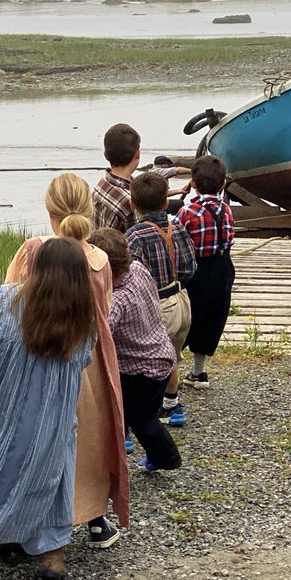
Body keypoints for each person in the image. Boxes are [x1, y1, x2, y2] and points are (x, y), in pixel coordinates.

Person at [0, 238, 97, 580]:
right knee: (51, 475)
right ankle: (50, 552)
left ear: (37, 270)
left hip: (5, 409)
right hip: (54, 417)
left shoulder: (8, 302)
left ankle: (3, 531)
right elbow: (83, 360)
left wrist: (11, 280)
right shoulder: (83, 319)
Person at [5, 172, 129, 549]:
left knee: (32, 436)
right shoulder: (100, 259)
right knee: (90, 436)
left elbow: (7, 302)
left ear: (50, 212)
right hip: (88, 360)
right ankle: (93, 517)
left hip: (40, 355)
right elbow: (104, 311)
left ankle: (22, 520)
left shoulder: (33, 251)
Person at [90, 228, 181, 474]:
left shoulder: (116, 301)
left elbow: (97, 336)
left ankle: (166, 457)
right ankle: (131, 449)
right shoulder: (139, 270)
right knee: (140, 414)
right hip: (161, 353)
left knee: (140, 419)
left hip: (140, 370)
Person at [127, 172, 197, 427]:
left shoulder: (134, 237)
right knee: (173, 356)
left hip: (156, 306)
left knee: (150, 359)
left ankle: (147, 411)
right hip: (181, 299)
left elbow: (131, 278)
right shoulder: (178, 227)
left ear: (132, 204)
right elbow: (191, 267)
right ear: (166, 203)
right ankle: (172, 404)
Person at [174, 154, 236, 388]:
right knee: (212, 318)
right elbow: (229, 239)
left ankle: (173, 374)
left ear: (193, 183)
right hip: (222, 269)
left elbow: (177, 243)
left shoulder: (187, 212)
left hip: (195, 272)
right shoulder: (227, 211)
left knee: (186, 320)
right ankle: (199, 372)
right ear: (223, 184)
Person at [92, 123, 140, 232]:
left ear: (105, 155)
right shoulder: (130, 203)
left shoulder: (103, 183)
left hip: (97, 247)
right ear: (137, 153)